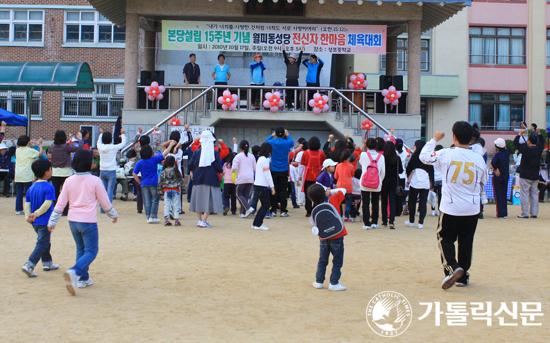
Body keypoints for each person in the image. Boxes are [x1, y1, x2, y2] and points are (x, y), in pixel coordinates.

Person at [420, 122, 487, 289]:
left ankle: (452, 268)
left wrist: (434, 139)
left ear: (454, 137)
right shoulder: (478, 158)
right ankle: (462, 276)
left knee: (445, 238)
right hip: (471, 208)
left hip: (450, 206)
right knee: (466, 241)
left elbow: (424, 156)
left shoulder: (446, 154)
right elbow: (483, 181)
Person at [47, 150, 118, 295]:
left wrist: (52, 222)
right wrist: (113, 214)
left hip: (73, 220)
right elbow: (105, 202)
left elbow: (60, 204)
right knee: (92, 250)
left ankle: (83, 278)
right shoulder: (95, 180)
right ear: (89, 163)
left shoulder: (69, 180)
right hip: (88, 221)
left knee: (81, 248)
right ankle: (75, 271)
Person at [21, 159, 59, 277]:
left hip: (35, 221)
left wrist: (28, 216)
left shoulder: (31, 188)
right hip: (44, 220)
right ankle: (29, 264)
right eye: (50, 169)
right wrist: (36, 214)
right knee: (42, 243)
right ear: (47, 173)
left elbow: (27, 204)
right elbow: (47, 204)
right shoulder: (49, 187)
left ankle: (47, 262)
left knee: (44, 241)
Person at [308, 184, 347, 291]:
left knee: (323, 259)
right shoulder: (334, 200)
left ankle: (319, 281)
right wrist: (331, 192)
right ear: (324, 193)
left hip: (324, 237)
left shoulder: (315, 209)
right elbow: (343, 189)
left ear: (311, 198)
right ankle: (334, 282)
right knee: (337, 260)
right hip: (337, 234)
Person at [133, 142, 175, 224]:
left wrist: (139, 182)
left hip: (144, 183)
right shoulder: (154, 159)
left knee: (146, 201)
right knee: (155, 200)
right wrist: (170, 145)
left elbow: (134, 174)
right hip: (154, 183)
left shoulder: (139, 162)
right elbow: (165, 154)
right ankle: (153, 216)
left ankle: (148, 217)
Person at [188, 131, 224, 228]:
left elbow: (190, 164)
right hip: (211, 180)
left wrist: (193, 170)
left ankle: (199, 220)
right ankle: (204, 221)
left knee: (199, 200)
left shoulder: (196, 152)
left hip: (198, 179)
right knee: (209, 201)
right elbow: (217, 166)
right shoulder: (215, 153)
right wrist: (221, 170)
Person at [50, 130, 84, 216]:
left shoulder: (53, 146)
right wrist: (80, 139)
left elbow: (49, 151)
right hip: (66, 171)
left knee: (56, 191)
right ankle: (65, 211)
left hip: (55, 171)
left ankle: (56, 209)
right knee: (66, 192)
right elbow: (78, 148)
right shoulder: (66, 146)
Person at [514, 127, 545, 218]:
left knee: (524, 194)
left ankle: (525, 213)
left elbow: (516, 143)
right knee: (534, 194)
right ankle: (534, 213)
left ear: (529, 141)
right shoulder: (539, 149)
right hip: (535, 175)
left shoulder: (525, 149)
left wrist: (520, 133)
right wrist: (539, 133)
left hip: (525, 175)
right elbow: (542, 142)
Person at [265, 127, 294, 217]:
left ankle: (273, 210)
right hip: (284, 169)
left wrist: (272, 135)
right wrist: (287, 134)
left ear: (276, 134)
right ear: (284, 134)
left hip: (274, 169)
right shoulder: (287, 143)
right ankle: (283, 210)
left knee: (274, 190)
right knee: (283, 190)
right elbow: (292, 143)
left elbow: (266, 142)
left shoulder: (272, 142)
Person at [405, 140, 434, 229]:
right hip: (425, 183)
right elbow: (431, 171)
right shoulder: (427, 157)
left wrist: (408, 181)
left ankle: (411, 221)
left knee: (412, 202)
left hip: (415, 182)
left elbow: (409, 169)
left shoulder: (415, 156)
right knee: (423, 202)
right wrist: (432, 182)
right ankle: (421, 222)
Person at [359, 137, 385, 230]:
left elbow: (361, 163)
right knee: (375, 202)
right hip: (376, 182)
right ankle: (374, 222)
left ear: (367, 145)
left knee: (365, 203)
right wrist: (379, 181)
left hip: (365, 182)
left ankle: (366, 223)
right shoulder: (381, 157)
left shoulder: (363, 155)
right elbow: (382, 171)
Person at [97, 128, 127, 208]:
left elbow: (98, 141)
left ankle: (102, 208)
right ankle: (108, 208)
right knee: (110, 191)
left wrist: (101, 134)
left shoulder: (99, 147)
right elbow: (123, 144)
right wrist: (123, 135)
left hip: (102, 170)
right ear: (111, 139)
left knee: (103, 191)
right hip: (111, 170)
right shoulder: (113, 147)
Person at [15, 135, 43, 215]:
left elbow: (25, 149)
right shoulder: (29, 151)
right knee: (29, 192)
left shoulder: (17, 150)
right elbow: (40, 154)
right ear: (27, 142)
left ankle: (19, 209)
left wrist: (30, 144)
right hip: (27, 175)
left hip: (18, 174)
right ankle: (30, 208)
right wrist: (40, 145)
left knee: (19, 192)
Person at [251, 143, 276, 231]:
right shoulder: (264, 160)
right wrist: (272, 187)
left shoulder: (260, 159)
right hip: (262, 185)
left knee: (264, 205)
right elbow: (267, 174)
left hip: (257, 184)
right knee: (266, 205)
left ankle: (256, 223)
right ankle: (258, 224)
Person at [300, 136, 325, 217]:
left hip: (308, 175)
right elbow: (323, 163)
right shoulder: (321, 153)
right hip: (318, 176)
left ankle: (308, 211)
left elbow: (303, 164)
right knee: (318, 193)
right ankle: (315, 208)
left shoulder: (306, 153)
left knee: (308, 193)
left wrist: (300, 175)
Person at [380, 141, 403, 229]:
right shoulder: (397, 158)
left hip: (384, 181)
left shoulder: (382, 157)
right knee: (393, 201)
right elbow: (400, 170)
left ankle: (384, 221)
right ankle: (392, 221)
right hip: (394, 181)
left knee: (384, 201)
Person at [232, 140, 257, 218]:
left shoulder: (238, 156)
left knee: (238, 194)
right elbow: (255, 168)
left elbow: (234, 168)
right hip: (250, 178)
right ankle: (242, 213)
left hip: (241, 178)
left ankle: (248, 208)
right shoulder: (252, 156)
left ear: (240, 147)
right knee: (245, 195)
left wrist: (232, 171)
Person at [158, 155, 184, 227]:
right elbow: (181, 181)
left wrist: (160, 191)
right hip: (176, 189)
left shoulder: (163, 172)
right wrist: (183, 190)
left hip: (166, 190)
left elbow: (160, 181)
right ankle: (176, 220)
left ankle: (166, 220)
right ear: (174, 163)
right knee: (176, 205)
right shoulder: (176, 171)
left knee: (167, 205)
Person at [491, 138, 510, 218]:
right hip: (506, 175)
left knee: (498, 194)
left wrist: (496, 169)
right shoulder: (507, 153)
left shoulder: (497, 154)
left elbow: (493, 162)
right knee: (504, 193)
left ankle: (500, 213)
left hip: (498, 176)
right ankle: (504, 213)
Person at [334, 150, 355, 222]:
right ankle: (346, 216)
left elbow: (336, 176)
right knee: (348, 202)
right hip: (348, 186)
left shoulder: (338, 165)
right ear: (349, 158)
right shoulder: (351, 166)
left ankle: (340, 215)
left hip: (340, 185)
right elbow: (352, 175)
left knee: (340, 201)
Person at [282, 44, 304, 110]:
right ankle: (289, 106)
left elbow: (300, 57)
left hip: (295, 80)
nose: (290, 59)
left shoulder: (297, 64)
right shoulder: (288, 63)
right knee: (288, 94)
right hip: (288, 80)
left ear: (294, 59)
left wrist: (301, 49)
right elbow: (285, 57)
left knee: (296, 94)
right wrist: (283, 49)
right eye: (289, 58)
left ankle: (298, 107)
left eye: (291, 58)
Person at [395, 138, 408, 216]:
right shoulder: (405, 153)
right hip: (403, 174)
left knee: (395, 193)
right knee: (401, 193)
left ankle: (396, 209)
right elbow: (402, 147)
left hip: (396, 174)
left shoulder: (395, 153)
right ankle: (401, 209)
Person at [430, 145, 444, 216]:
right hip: (441, 178)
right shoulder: (443, 158)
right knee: (440, 196)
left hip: (434, 178)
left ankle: (432, 210)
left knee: (433, 195)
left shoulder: (433, 158)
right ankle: (439, 210)